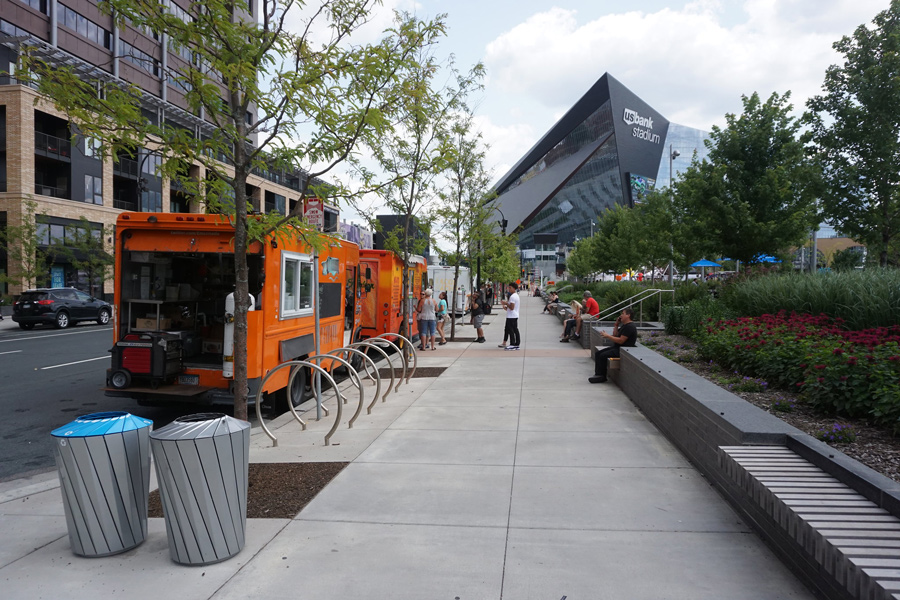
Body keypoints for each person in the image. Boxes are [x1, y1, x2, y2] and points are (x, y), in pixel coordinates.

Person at [589, 307, 638, 383]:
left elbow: (621, 341)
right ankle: (598, 374)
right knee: (598, 353)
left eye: (623, 313)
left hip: (623, 350)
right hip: (617, 347)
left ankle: (602, 376)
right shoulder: (625, 325)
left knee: (603, 355)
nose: (621, 315)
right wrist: (616, 324)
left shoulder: (630, 327)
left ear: (628, 315)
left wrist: (607, 336)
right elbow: (615, 335)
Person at [501, 282, 520, 350]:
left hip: (511, 316)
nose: (509, 289)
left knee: (511, 330)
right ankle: (517, 343)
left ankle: (512, 343)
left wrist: (506, 303)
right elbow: (511, 308)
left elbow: (512, 307)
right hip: (514, 315)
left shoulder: (512, 297)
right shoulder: (516, 296)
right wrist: (506, 307)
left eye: (510, 287)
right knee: (515, 329)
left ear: (513, 288)